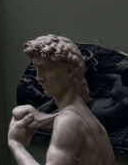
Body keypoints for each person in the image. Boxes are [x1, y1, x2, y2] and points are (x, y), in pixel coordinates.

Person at [8, 34, 114, 165]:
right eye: (36, 69)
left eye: (45, 69)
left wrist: (16, 145)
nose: (39, 77)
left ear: (69, 71)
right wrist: (41, 119)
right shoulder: (86, 116)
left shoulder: (67, 121)